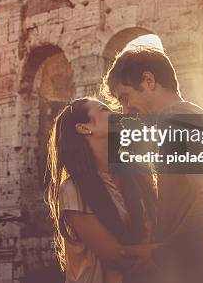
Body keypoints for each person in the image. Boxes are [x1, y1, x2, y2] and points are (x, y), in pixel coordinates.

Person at [101, 44, 203, 283]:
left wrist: (164, 253)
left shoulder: (177, 117)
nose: (124, 111)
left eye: (125, 98)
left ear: (148, 80)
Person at [45, 97, 161, 283]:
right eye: (104, 110)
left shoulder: (138, 175)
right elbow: (117, 256)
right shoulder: (73, 190)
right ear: (84, 128)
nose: (117, 113)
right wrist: (176, 251)